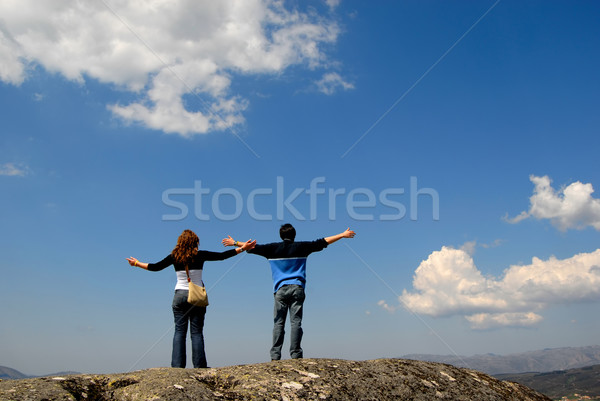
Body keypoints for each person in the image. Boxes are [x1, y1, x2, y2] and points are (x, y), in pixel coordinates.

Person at [222, 224, 355, 361]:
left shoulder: (272, 248)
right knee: (296, 322)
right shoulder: (302, 247)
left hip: (280, 290)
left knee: (278, 323)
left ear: (281, 235)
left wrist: (235, 243)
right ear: (294, 235)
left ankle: (275, 356)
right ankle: (296, 354)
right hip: (297, 288)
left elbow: (252, 246)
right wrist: (341, 235)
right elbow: (322, 242)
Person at [127, 229, 255, 368]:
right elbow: (222, 256)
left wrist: (136, 263)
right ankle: (200, 367)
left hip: (179, 295)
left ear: (180, 242)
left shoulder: (174, 256)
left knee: (179, 332)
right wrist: (242, 248)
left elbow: (155, 267)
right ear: (195, 242)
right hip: (197, 296)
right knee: (197, 333)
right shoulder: (200, 255)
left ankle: (177, 367)